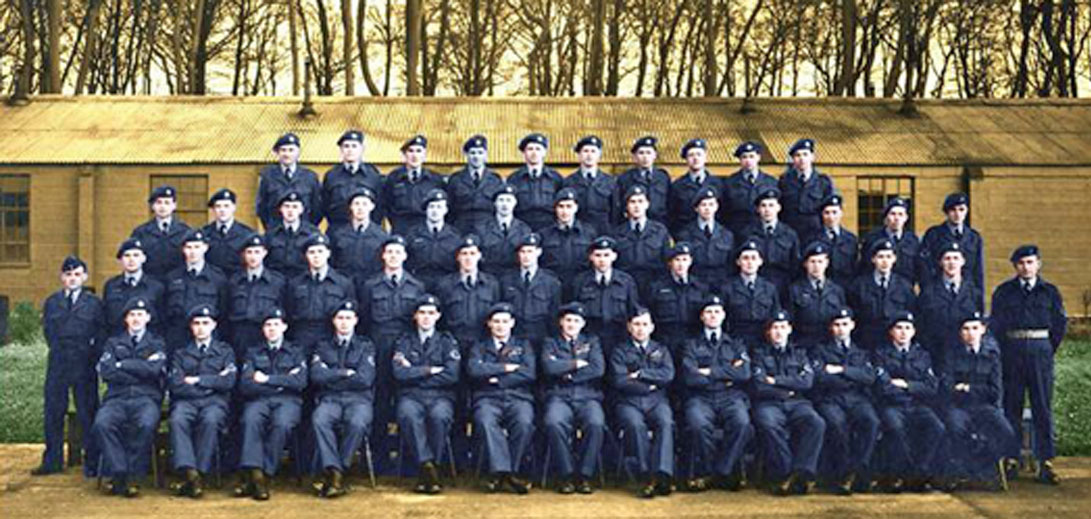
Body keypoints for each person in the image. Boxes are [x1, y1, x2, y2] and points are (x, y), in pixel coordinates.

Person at [990, 244, 1067, 485]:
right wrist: (1005, 350)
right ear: (1015, 266)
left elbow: (1059, 324)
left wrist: (1045, 349)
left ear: (1038, 264)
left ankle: (1045, 461)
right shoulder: (1004, 291)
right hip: (1012, 351)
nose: (1026, 267)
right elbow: (996, 325)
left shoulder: (1049, 291)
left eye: (1030, 262)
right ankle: (1011, 458)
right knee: (1011, 405)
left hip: (1039, 350)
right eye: (1021, 263)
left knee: (1042, 406)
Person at [357, 235, 429, 471]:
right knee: (379, 400)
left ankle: (408, 457)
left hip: (407, 348)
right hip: (378, 346)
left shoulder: (416, 286)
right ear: (382, 256)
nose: (393, 256)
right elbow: (364, 320)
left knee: (407, 399)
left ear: (405, 256)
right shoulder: (370, 285)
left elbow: (419, 321)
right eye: (389, 252)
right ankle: (379, 457)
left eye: (398, 252)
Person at [33, 256, 105, 477]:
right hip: (59, 362)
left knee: (88, 411)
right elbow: (49, 332)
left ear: (85, 277)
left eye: (77, 274)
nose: (72, 278)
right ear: (61, 277)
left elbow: (100, 333)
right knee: (54, 412)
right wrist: (60, 350)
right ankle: (52, 460)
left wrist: (92, 356)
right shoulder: (52, 302)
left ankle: (92, 462)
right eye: (68, 274)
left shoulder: (94, 303)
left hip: (84, 363)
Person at [92, 298, 167, 498]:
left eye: (140, 314)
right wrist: (141, 367)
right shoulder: (113, 343)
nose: (136, 319)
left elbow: (154, 371)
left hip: (146, 398)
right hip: (117, 397)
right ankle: (119, 472)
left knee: (146, 424)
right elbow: (107, 371)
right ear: (126, 319)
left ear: (148, 318)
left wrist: (122, 364)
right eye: (132, 315)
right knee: (102, 424)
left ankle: (133, 476)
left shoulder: (157, 343)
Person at [679, 295, 752, 492]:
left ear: (724, 315)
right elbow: (690, 377)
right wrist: (727, 372)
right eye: (709, 312)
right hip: (700, 397)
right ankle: (711, 471)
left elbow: (744, 373)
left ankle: (721, 471)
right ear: (702, 317)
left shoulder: (736, 344)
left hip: (731, 396)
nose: (713, 315)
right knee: (697, 425)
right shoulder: (690, 344)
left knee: (742, 423)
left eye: (717, 311)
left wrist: (709, 372)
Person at [939, 311, 1018, 491]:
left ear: (983, 329)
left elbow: (995, 391)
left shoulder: (991, 355)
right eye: (966, 329)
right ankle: (963, 472)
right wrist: (975, 391)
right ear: (960, 332)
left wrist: (968, 388)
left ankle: (984, 469)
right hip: (958, 407)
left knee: (1005, 431)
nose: (970, 333)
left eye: (975, 328)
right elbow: (947, 387)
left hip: (984, 407)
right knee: (956, 429)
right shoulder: (951, 355)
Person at [235, 308, 307, 501]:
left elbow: (300, 382)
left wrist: (266, 379)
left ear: (284, 327)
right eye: (268, 325)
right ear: (262, 329)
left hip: (288, 401)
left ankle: (263, 473)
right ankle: (257, 474)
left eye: (276, 324)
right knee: (250, 420)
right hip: (259, 399)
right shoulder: (253, 352)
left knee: (282, 424)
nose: (272, 328)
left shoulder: (296, 351)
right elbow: (246, 384)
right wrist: (283, 382)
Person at [751, 310, 825, 495]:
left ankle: (802, 472)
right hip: (768, 403)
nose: (779, 332)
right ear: (768, 332)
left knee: (816, 422)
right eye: (775, 328)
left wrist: (775, 380)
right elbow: (759, 385)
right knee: (768, 425)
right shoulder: (758, 353)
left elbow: (807, 382)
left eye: (783, 327)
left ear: (789, 329)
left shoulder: (800, 353)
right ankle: (786, 473)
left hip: (798, 402)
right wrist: (788, 387)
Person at [393, 295, 461, 494]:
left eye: (431, 313)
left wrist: (415, 372)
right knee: (408, 415)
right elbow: (399, 373)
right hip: (411, 396)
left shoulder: (447, 341)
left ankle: (429, 468)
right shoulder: (404, 341)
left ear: (438, 316)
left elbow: (452, 375)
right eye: (422, 313)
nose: (426, 317)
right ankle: (428, 467)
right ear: (415, 316)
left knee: (440, 417)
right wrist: (430, 370)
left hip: (440, 396)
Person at [167, 305, 236, 498]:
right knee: (177, 420)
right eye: (196, 323)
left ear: (213, 325)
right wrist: (213, 382)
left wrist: (197, 380)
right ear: (191, 327)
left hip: (215, 402)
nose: (201, 327)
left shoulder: (225, 351)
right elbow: (176, 384)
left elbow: (228, 381)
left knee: (210, 421)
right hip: (187, 401)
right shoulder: (181, 353)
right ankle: (191, 473)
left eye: (205, 323)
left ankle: (199, 472)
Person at [467, 303, 537, 494]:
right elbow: (474, 370)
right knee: (485, 421)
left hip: (518, 397)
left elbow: (529, 373)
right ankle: (506, 473)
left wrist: (495, 378)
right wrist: (506, 368)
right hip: (487, 398)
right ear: (489, 324)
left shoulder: (523, 346)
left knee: (524, 422)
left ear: (512, 323)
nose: (500, 326)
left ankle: (504, 472)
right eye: (496, 321)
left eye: (505, 321)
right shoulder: (479, 346)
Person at [872, 311, 945, 492]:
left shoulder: (922, 355)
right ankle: (900, 474)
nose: (903, 332)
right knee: (895, 428)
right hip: (892, 405)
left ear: (914, 332)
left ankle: (919, 472)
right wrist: (914, 387)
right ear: (891, 332)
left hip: (917, 405)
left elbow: (931, 387)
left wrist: (905, 384)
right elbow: (883, 387)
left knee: (936, 427)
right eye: (899, 328)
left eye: (907, 328)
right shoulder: (880, 354)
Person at [310, 301, 377, 498]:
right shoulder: (323, 346)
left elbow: (365, 379)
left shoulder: (366, 346)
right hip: (330, 399)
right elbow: (316, 376)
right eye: (340, 318)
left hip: (359, 399)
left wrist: (331, 374)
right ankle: (335, 470)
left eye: (348, 318)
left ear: (356, 320)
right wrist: (346, 373)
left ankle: (338, 469)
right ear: (333, 321)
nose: (344, 322)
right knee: (320, 420)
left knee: (357, 423)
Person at [809, 308, 880, 495]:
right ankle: (841, 474)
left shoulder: (861, 351)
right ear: (831, 328)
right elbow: (820, 378)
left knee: (871, 421)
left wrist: (841, 370)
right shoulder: (820, 350)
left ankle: (858, 470)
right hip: (830, 398)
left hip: (857, 399)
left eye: (845, 324)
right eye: (837, 325)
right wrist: (853, 376)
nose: (841, 329)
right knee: (836, 424)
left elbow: (869, 377)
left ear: (852, 326)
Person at [540, 302, 606, 494]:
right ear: (561, 322)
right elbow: (548, 368)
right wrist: (577, 364)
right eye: (568, 320)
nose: (571, 324)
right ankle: (566, 474)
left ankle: (585, 474)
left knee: (596, 423)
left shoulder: (592, 342)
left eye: (576, 321)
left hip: (588, 396)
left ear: (583, 324)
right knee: (553, 422)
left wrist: (566, 372)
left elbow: (598, 369)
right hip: (559, 395)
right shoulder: (550, 342)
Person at [609, 308, 675, 498]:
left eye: (645, 324)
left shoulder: (661, 350)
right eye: (636, 324)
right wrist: (650, 385)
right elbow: (620, 381)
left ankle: (662, 473)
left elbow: (668, 375)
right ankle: (647, 475)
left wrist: (640, 374)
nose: (640, 329)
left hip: (657, 401)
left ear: (652, 327)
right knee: (635, 425)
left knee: (666, 423)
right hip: (628, 402)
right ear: (629, 327)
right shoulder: (619, 351)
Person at [285, 233, 357, 356]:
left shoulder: (343, 283)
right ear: (306, 255)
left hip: (330, 338)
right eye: (312, 252)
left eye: (320, 251)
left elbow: (350, 314)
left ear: (328, 253)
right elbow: (289, 312)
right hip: (302, 337)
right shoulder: (295, 283)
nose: (316, 256)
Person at [916, 242, 982, 372]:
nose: (952, 263)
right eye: (947, 258)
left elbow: (979, 324)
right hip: (936, 353)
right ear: (940, 262)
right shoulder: (928, 293)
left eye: (956, 258)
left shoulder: (974, 293)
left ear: (963, 261)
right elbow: (921, 326)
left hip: (963, 355)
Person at [572, 236, 641, 358]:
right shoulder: (580, 282)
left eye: (606, 255)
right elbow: (573, 312)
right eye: (598, 255)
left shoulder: (626, 281)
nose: (602, 260)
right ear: (591, 257)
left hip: (619, 337)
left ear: (614, 256)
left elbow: (633, 311)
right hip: (589, 337)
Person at [163, 229, 228, 353]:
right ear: (183, 249)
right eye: (189, 247)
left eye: (197, 247)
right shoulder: (172, 277)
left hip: (207, 336)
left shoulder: (217, 278)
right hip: (178, 336)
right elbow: (164, 310)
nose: (193, 252)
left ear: (205, 248)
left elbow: (223, 311)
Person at [847, 239, 917, 351]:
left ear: (894, 259)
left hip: (894, 344)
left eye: (888, 257)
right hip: (867, 342)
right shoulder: (859, 286)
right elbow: (854, 317)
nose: (885, 261)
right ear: (873, 259)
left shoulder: (904, 286)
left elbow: (911, 312)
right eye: (880, 257)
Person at [227, 233, 287, 361]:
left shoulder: (277, 281)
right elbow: (226, 309)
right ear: (244, 254)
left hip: (264, 335)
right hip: (239, 335)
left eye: (257, 252)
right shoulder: (234, 281)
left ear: (264, 253)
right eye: (249, 252)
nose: (253, 256)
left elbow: (284, 310)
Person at [435, 235, 501, 349]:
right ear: (457, 257)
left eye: (472, 253)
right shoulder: (445, 284)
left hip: (482, 342)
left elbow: (496, 313)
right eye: (464, 254)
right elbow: (440, 316)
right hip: (454, 341)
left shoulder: (491, 284)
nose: (468, 258)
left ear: (479, 256)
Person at [647, 242, 708, 356]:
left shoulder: (700, 287)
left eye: (684, 259)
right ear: (670, 263)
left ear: (690, 261)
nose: (681, 264)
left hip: (693, 340)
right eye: (677, 260)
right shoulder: (657, 287)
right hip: (665, 340)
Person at [501, 233, 562, 343]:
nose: (526, 256)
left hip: (541, 336)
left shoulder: (551, 282)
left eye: (530, 251)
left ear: (539, 252)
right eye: (523, 252)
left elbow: (554, 315)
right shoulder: (506, 280)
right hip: (515, 338)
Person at [919, 192, 985, 296]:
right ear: (947, 212)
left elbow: (978, 271)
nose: (957, 214)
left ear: (967, 211)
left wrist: (979, 297)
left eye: (961, 209)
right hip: (939, 292)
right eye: (953, 210)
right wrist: (928, 292)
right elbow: (925, 268)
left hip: (966, 293)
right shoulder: (934, 235)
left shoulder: (974, 237)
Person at [785, 241, 847, 349]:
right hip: (804, 344)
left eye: (820, 261)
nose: (816, 266)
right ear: (805, 264)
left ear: (827, 263)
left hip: (829, 346)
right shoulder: (795, 290)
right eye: (812, 261)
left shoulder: (837, 290)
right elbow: (790, 321)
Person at [721, 240, 782, 349]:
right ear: (738, 262)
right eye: (745, 258)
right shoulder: (727, 288)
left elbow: (775, 316)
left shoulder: (769, 288)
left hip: (763, 341)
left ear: (760, 261)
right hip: (736, 340)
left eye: (754, 258)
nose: (750, 262)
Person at [613, 185, 671, 298]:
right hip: (626, 287)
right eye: (632, 202)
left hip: (654, 285)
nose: (637, 206)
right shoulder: (617, 233)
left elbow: (666, 262)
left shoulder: (660, 231)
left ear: (647, 204)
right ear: (626, 206)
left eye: (640, 201)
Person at [382, 135, 447, 236]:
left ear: (424, 155)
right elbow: (386, 205)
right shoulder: (393, 178)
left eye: (418, 151)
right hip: (401, 229)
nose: (415, 155)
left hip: (425, 230)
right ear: (404, 155)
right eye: (411, 151)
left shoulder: (435, 179)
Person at [255, 132, 323, 229]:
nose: (287, 154)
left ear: (298, 152)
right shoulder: (268, 176)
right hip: (276, 231)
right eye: (283, 150)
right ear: (277, 153)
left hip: (304, 231)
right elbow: (261, 208)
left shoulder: (310, 177)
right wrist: (271, 228)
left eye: (291, 150)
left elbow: (317, 208)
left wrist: (307, 228)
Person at [741, 187, 800, 297]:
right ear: (758, 209)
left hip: (782, 285)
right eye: (763, 206)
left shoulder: (789, 234)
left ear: (779, 208)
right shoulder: (747, 233)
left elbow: (795, 264)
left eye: (771, 205)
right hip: (757, 286)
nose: (767, 210)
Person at [321, 130, 385, 232]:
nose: (350, 150)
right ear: (341, 150)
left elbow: (380, 206)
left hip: (366, 231)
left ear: (362, 149)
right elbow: (324, 205)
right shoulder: (331, 175)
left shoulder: (373, 175)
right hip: (337, 229)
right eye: (346, 146)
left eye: (354, 146)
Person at [102, 238, 166, 338]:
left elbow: (162, 322)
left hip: (148, 342)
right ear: (121, 259)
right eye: (127, 255)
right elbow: (105, 320)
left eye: (136, 255)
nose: (131, 259)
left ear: (143, 258)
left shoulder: (156, 287)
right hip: (116, 341)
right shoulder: (111, 286)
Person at [539, 188, 597, 295]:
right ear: (555, 208)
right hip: (553, 286)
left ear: (576, 208)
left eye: (569, 206)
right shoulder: (544, 234)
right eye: (561, 206)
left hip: (581, 286)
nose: (565, 211)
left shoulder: (588, 233)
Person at [328, 187, 389, 286]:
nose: (360, 208)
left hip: (371, 286)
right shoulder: (337, 235)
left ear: (372, 206)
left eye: (365, 204)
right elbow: (332, 262)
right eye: (356, 204)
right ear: (350, 207)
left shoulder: (381, 236)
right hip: (344, 285)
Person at [675, 186, 735, 288]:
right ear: (696, 208)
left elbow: (730, 265)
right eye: (703, 205)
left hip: (721, 285)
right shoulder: (685, 234)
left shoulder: (726, 235)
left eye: (711, 204)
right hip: (695, 285)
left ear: (716, 207)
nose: (707, 208)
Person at [129, 185, 190, 283]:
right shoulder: (141, 232)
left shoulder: (185, 231)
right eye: (159, 202)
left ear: (174, 205)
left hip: (177, 283)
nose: (163, 207)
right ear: (153, 206)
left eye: (167, 203)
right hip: (150, 284)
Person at [777, 138, 834, 239]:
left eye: (805, 154)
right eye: (798, 155)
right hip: (790, 234)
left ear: (812, 157)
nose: (802, 159)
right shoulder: (784, 181)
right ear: (793, 159)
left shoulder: (823, 182)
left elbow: (829, 210)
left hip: (815, 234)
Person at [406, 188, 462, 290]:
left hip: (447, 283)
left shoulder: (455, 235)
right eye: (431, 207)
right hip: (419, 281)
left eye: (439, 207)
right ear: (426, 210)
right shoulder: (413, 234)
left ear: (446, 210)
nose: (435, 211)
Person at [448, 135, 505, 232]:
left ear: (486, 155)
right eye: (472, 153)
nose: (476, 157)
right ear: (466, 155)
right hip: (461, 228)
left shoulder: (495, 180)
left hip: (488, 229)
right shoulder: (456, 179)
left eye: (480, 153)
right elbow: (449, 209)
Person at [719, 141, 778, 237]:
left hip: (763, 234)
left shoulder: (771, 182)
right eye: (744, 157)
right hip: (737, 233)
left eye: (751, 156)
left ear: (758, 157)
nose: (748, 160)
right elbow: (723, 212)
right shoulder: (729, 183)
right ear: (740, 160)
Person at [859, 197, 921, 286]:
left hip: (905, 289)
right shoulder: (872, 238)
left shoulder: (913, 240)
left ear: (906, 218)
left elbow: (918, 268)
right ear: (886, 217)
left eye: (900, 214)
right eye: (893, 214)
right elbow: (864, 267)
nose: (896, 218)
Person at [508, 133, 564, 231]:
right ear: (524, 153)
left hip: (549, 227)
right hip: (522, 227)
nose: (534, 153)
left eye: (538, 149)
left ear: (544, 152)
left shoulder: (555, 178)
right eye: (530, 149)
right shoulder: (514, 179)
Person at [475, 184, 532, 278]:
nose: (504, 204)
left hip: (513, 278)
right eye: (501, 200)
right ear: (495, 203)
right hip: (489, 276)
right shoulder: (481, 228)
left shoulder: (524, 229)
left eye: (509, 200)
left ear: (515, 203)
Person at [562, 135, 617, 232]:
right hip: (579, 232)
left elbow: (616, 212)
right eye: (585, 151)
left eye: (593, 151)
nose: (589, 155)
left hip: (603, 231)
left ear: (599, 155)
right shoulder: (569, 182)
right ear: (579, 155)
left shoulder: (610, 182)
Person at [264, 191, 321, 280]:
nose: (290, 210)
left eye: (295, 207)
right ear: (280, 209)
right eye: (287, 206)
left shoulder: (312, 233)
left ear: (301, 210)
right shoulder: (271, 233)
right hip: (276, 280)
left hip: (303, 281)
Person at [669, 138, 721, 235]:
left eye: (699, 154)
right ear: (686, 159)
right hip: (686, 235)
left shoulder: (718, 184)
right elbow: (672, 215)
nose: (695, 158)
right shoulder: (677, 186)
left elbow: (724, 213)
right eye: (691, 155)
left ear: (705, 157)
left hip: (714, 236)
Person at [615, 136, 670, 226]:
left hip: (660, 225)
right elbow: (619, 206)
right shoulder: (625, 178)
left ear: (655, 155)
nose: (645, 157)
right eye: (641, 153)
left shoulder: (663, 177)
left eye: (648, 153)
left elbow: (670, 204)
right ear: (635, 157)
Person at [806, 194, 857, 289]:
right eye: (827, 213)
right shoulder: (811, 238)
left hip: (846, 288)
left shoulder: (851, 239)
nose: (831, 217)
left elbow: (855, 267)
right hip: (824, 289)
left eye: (834, 212)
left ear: (841, 213)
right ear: (822, 215)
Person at [202, 188, 255, 279]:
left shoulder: (247, 234)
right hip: (212, 282)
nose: (222, 210)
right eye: (218, 206)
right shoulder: (205, 233)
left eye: (226, 206)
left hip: (237, 282)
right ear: (213, 210)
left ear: (234, 207)